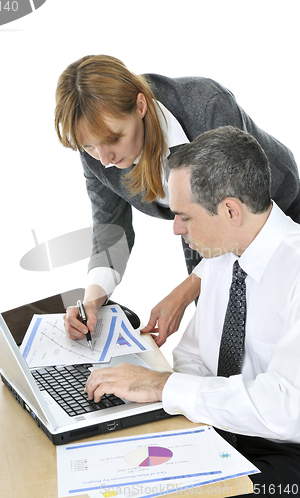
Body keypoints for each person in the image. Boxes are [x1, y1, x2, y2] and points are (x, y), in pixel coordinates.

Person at [84, 127, 300, 495]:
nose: (176, 228)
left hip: (285, 453)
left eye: (186, 216)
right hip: (221, 429)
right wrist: (157, 396)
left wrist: (162, 386)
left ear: (230, 210)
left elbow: (286, 410)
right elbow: (192, 357)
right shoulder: (222, 254)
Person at [55, 54, 300, 346]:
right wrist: (92, 300)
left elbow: (233, 220)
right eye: (89, 146)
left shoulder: (207, 106)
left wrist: (182, 293)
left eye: (114, 139)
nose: (104, 159)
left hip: (271, 209)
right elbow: (110, 228)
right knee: (216, 344)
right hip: (204, 227)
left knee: (279, 339)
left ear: (141, 105)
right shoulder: (97, 147)